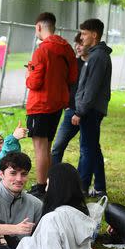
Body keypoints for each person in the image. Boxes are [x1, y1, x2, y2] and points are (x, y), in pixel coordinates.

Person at [3, 163, 102, 249]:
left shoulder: (51, 220)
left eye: (48, 185)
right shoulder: (81, 217)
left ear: (56, 188)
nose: (46, 189)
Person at [25, 12, 78, 198]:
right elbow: (72, 77)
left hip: (40, 105)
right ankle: (47, 185)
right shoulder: (67, 49)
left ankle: (41, 187)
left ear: (39, 27)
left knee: (40, 148)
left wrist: (28, 76)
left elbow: (35, 83)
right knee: (47, 146)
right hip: (57, 105)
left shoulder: (42, 51)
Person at [72, 18, 112, 197]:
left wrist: (80, 111)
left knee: (87, 149)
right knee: (92, 147)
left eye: (84, 33)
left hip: (90, 110)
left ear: (94, 35)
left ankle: (81, 187)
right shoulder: (96, 54)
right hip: (91, 109)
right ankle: (100, 186)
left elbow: (91, 88)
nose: (82, 37)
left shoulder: (97, 56)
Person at [51, 33, 88, 166]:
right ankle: (53, 178)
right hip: (71, 110)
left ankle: (84, 183)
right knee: (57, 146)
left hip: (87, 112)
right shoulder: (74, 63)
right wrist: (65, 104)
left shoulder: (93, 64)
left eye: (81, 43)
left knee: (87, 150)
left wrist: (80, 112)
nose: (78, 47)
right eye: (76, 44)